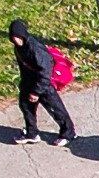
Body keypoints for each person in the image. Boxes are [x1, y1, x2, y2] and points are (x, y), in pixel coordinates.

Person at [8, 17, 79, 145]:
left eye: (17, 37)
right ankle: (32, 133)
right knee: (26, 107)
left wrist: (36, 92)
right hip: (28, 83)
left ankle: (68, 133)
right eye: (13, 38)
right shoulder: (19, 48)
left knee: (55, 109)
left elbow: (45, 72)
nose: (16, 40)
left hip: (43, 85)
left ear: (23, 35)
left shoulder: (36, 49)